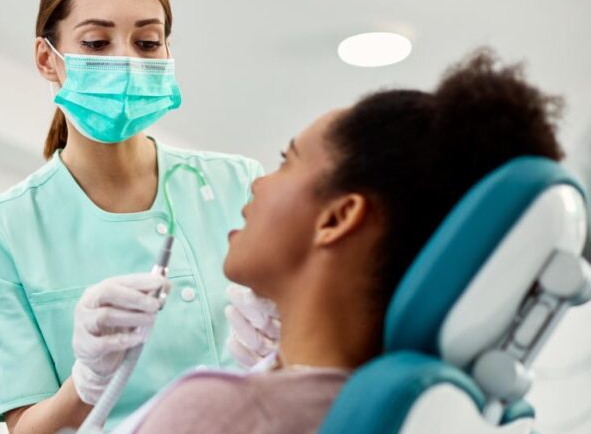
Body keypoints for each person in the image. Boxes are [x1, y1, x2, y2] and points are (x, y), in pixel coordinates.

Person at [125, 49, 567, 433]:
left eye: (286, 161)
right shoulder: (381, 410)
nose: (258, 185)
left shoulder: (226, 412)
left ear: (338, 217)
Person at [0, 0, 279, 433]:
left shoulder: (238, 182)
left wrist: (290, 342)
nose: (128, 62)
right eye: (95, 43)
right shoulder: (3, 228)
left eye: (148, 42)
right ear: (47, 59)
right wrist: (87, 380)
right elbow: (26, 427)